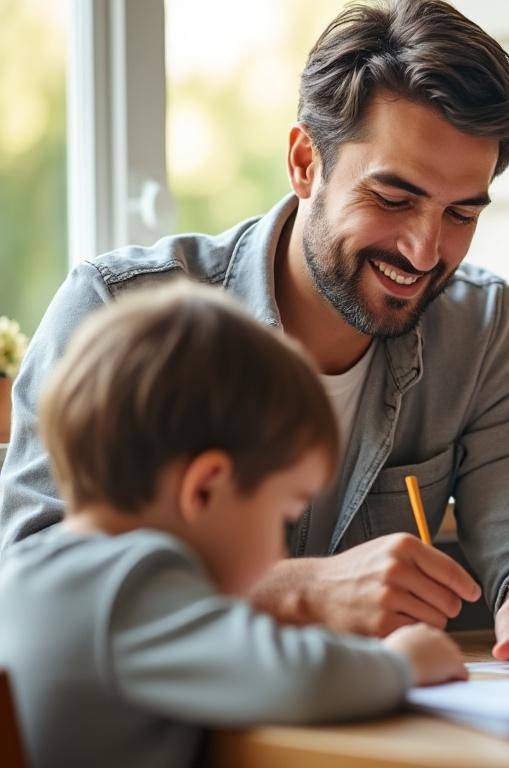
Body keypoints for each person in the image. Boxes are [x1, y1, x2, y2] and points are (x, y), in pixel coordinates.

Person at [0, 0, 509, 664]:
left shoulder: (482, 331)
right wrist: (293, 590)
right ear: (304, 163)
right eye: (394, 199)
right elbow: (23, 579)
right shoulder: (113, 313)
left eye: (461, 213)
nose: (426, 251)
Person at [0, 284, 467, 767]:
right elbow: (297, 678)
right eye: (284, 516)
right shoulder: (131, 585)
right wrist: (403, 663)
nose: (278, 554)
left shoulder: (26, 570)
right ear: (206, 488)